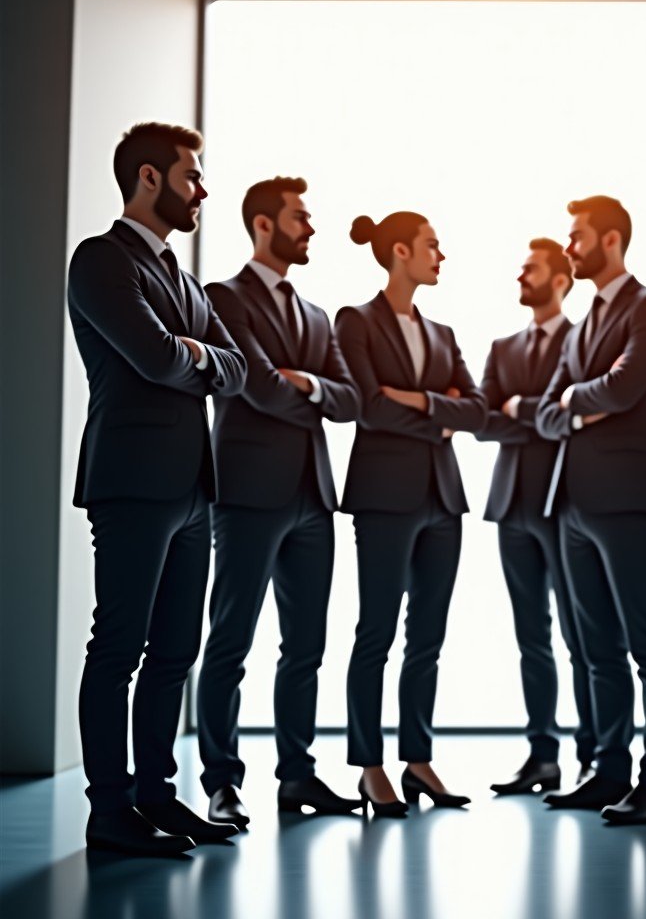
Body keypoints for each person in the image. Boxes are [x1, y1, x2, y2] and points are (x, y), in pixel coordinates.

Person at [67, 122, 246, 855]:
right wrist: (197, 355)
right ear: (149, 177)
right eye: (192, 175)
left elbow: (234, 368)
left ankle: (157, 797)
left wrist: (194, 354)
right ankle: (109, 812)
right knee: (118, 647)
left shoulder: (181, 275)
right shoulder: (100, 261)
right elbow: (154, 359)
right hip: (132, 483)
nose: (202, 189)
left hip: (192, 490)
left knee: (176, 649)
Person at [197, 177, 363, 827]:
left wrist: (311, 384)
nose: (311, 228)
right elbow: (259, 389)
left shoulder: (319, 316)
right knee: (231, 641)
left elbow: (350, 401)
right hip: (247, 494)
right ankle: (221, 782)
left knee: (306, 646)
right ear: (265, 225)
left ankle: (297, 776)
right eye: (301, 217)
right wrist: (308, 392)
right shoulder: (223, 299)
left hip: (312, 497)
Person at [335, 210, 487, 816]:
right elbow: (369, 408)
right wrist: (437, 412)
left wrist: (416, 400)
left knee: (427, 638)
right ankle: (370, 767)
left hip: (442, 501)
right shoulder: (357, 322)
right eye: (432, 245)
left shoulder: (444, 333)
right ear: (401, 251)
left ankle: (417, 760)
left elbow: (475, 412)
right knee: (375, 632)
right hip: (384, 497)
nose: (440, 256)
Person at [537, 195, 646, 826]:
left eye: (578, 237)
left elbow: (627, 386)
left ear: (612, 240)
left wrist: (576, 398)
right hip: (569, 502)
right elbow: (546, 414)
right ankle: (609, 771)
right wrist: (579, 401)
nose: (570, 248)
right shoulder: (581, 323)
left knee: (645, 641)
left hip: (626, 500)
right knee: (594, 646)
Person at [477, 238, 595, 795]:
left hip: (565, 500)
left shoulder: (583, 341)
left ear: (561, 279)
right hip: (511, 505)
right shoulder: (503, 346)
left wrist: (520, 408)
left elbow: (569, 415)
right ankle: (542, 756)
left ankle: (594, 755)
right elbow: (482, 419)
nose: (521, 276)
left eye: (531, 269)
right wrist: (542, 414)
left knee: (582, 634)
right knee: (532, 638)